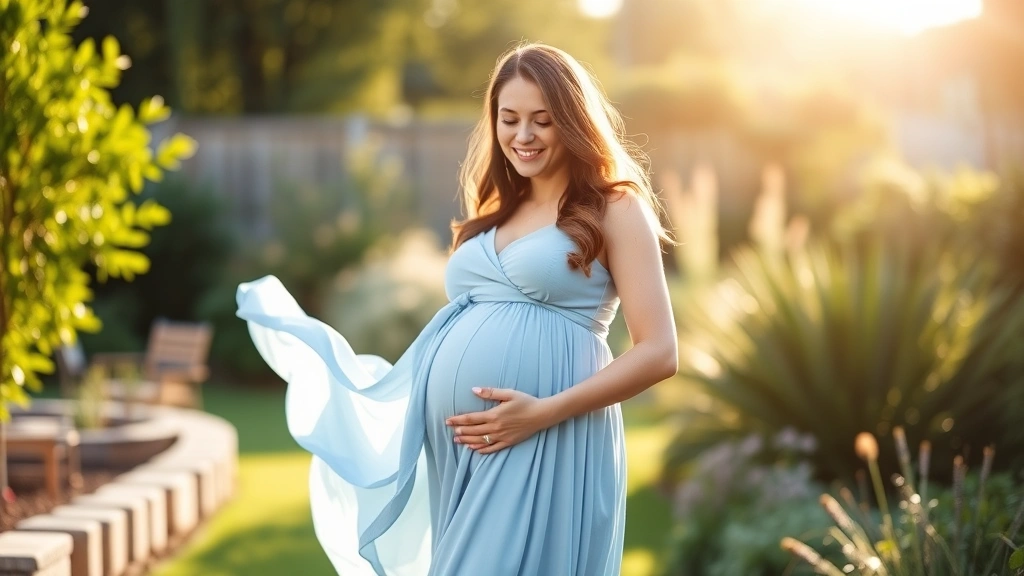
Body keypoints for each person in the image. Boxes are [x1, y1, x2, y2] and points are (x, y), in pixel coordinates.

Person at [236, 42, 678, 576]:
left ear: (574, 122)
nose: (523, 135)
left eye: (543, 120)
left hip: (547, 432)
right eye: (509, 119)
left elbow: (659, 352)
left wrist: (542, 412)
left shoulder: (614, 207)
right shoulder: (497, 210)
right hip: (461, 446)